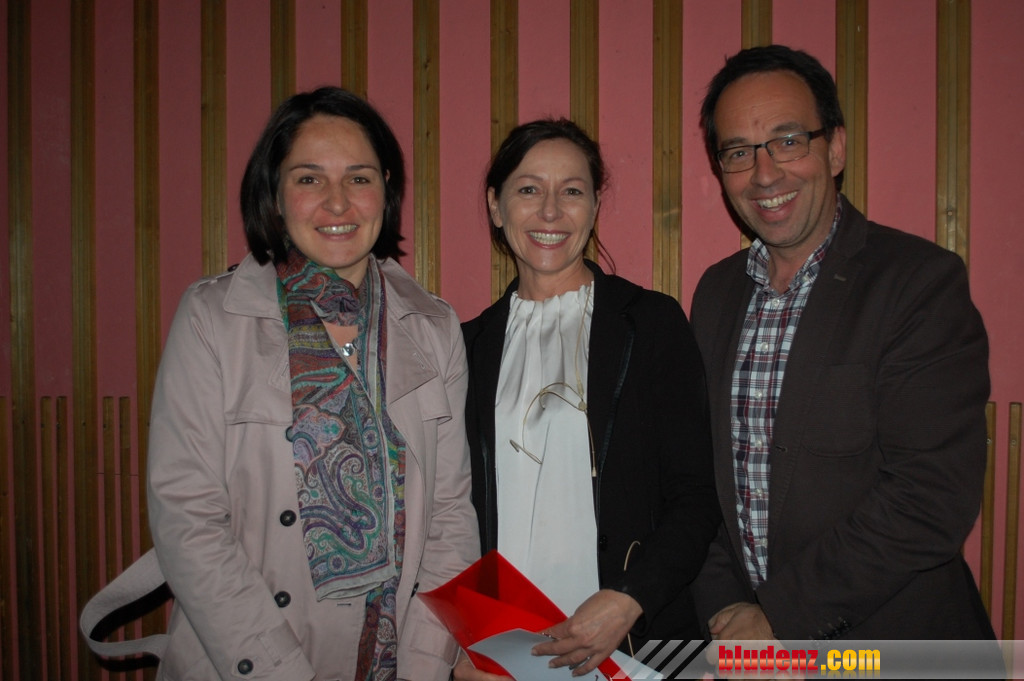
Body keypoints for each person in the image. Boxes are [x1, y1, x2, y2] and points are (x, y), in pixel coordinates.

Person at [146, 87, 479, 680]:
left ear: (386, 189)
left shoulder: (433, 326)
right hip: (249, 658)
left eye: (358, 178)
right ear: (275, 195)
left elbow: (451, 516)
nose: (337, 202)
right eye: (308, 179)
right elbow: (188, 517)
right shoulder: (213, 318)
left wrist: (426, 664)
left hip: (394, 658)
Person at [690, 45, 994, 641]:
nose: (764, 174)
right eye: (739, 152)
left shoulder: (917, 282)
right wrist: (727, 613)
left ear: (835, 149)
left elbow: (931, 496)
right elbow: (706, 481)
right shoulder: (716, 293)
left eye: (788, 141)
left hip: (893, 647)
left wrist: (780, 616)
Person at [457, 119, 720, 679]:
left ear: (595, 205)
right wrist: (463, 641)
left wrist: (630, 598)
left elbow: (697, 495)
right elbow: (448, 515)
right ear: (496, 206)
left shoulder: (650, 324)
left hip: (631, 646)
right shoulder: (464, 347)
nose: (550, 211)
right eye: (529, 189)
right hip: (503, 652)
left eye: (572, 191)